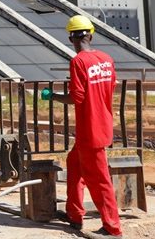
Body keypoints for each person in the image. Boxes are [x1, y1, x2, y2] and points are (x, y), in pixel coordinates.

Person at [43, 15, 122, 239]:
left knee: (99, 180)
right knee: (73, 164)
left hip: (90, 131)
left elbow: (77, 97)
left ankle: (113, 227)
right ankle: (75, 214)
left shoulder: (78, 61)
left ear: (71, 38)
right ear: (90, 33)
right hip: (103, 124)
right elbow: (110, 86)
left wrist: (54, 96)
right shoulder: (106, 59)